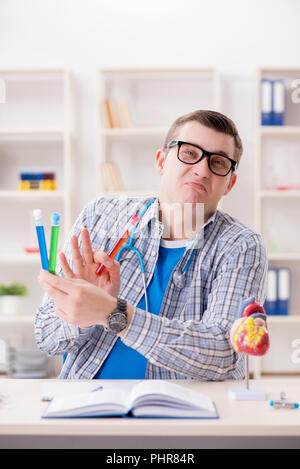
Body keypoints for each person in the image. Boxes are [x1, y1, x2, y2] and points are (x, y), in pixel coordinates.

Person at [36, 110, 268, 381]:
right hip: (87, 410)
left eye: (218, 162)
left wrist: (113, 312)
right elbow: (47, 338)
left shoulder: (241, 246)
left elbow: (222, 354)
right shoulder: (100, 216)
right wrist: (84, 311)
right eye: (190, 153)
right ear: (161, 162)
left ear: (230, 183)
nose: (202, 170)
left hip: (182, 416)